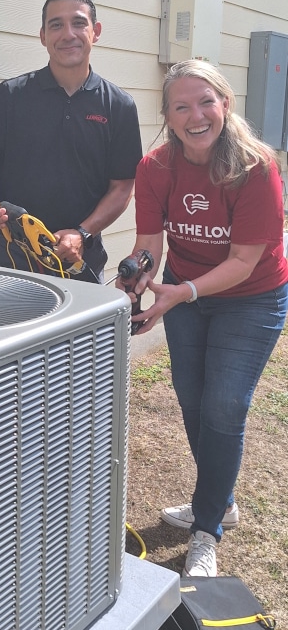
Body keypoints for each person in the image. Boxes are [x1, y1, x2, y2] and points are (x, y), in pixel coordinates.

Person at [127, 59, 288, 577]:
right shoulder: (154, 168)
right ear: (169, 116)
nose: (195, 115)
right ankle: (221, 500)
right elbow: (150, 243)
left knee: (224, 405)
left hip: (253, 296)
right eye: (181, 106)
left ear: (225, 104)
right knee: (193, 400)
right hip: (185, 286)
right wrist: (138, 277)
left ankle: (206, 527)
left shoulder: (255, 165)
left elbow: (243, 261)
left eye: (205, 102)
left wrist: (179, 293)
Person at [0, 0, 143, 282]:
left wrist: (82, 233)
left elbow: (122, 187)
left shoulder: (119, 105)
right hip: (10, 261)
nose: (67, 34)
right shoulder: (11, 95)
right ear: (43, 36)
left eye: (78, 23)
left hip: (80, 264)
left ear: (95, 31)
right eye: (56, 25)